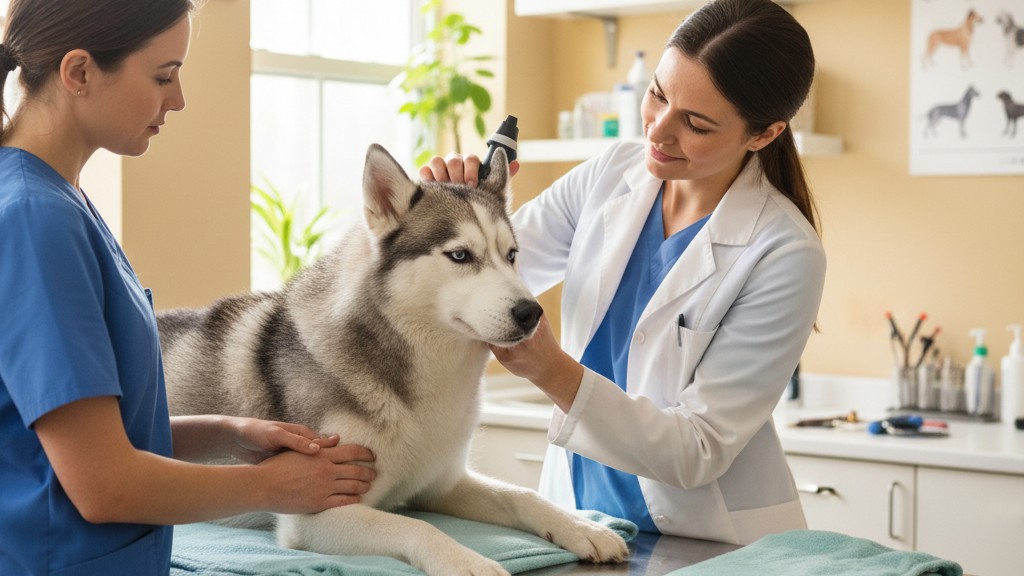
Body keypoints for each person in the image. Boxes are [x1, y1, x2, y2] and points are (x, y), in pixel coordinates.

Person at [421, 0, 826, 545]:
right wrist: (453, 208)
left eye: (696, 124)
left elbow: (698, 450)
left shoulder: (783, 251)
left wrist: (552, 371)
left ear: (763, 134)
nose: (658, 132)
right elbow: (488, 274)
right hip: (580, 519)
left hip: (702, 538)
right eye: (657, 94)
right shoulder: (611, 174)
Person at [0, 1, 375, 574]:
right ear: (79, 73)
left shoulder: (59, 202)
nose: (177, 100)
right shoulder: (37, 219)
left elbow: (85, 437)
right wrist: (270, 488)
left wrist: (228, 431)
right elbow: (103, 485)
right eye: (163, 76)